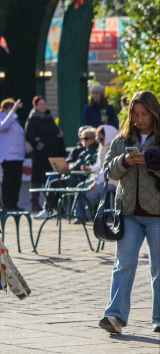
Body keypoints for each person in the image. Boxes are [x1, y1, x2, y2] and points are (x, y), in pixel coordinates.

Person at [98, 90, 160, 335]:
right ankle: (114, 316)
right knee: (123, 265)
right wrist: (125, 161)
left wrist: (152, 162)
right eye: (135, 114)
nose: (140, 119)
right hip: (128, 213)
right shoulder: (123, 139)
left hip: (157, 214)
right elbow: (108, 172)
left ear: (154, 112)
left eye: (144, 114)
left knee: (159, 268)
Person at [34, 126, 99, 220]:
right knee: (53, 179)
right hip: (79, 177)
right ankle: (52, 209)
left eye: (86, 138)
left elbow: (78, 166)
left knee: (54, 183)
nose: (83, 141)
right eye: (81, 138)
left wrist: (70, 166)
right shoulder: (86, 150)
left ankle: (50, 210)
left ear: (93, 139)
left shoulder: (89, 151)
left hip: (80, 179)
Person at [25, 95, 66, 213]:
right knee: (37, 179)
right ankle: (35, 203)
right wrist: (40, 146)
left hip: (52, 154)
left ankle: (50, 204)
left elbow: (55, 131)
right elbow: (29, 136)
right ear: (35, 106)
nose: (43, 106)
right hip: (40, 155)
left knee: (52, 179)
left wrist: (59, 137)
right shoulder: (32, 120)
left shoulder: (49, 118)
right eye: (40, 104)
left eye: (44, 104)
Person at [74, 124, 118, 222]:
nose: (100, 142)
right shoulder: (102, 150)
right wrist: (90, 168)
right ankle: (81, 216)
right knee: (80, 188)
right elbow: (99, 166)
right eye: (98, 140)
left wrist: (96, 182)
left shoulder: (115, 150)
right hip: (101, 179)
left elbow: (108, 169)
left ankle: (91, 216)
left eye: (101, 139)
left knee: (90, 193)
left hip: (112, 181)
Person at [0, 98, 25, 211]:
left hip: (18, 156)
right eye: (11, 109)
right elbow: (4, 126)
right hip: (8, 156)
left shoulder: (14, 120)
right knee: (8, 181)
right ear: (6, 109)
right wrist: (13, 111)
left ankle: (14, 203)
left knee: (16, 182)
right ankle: (7, 204)